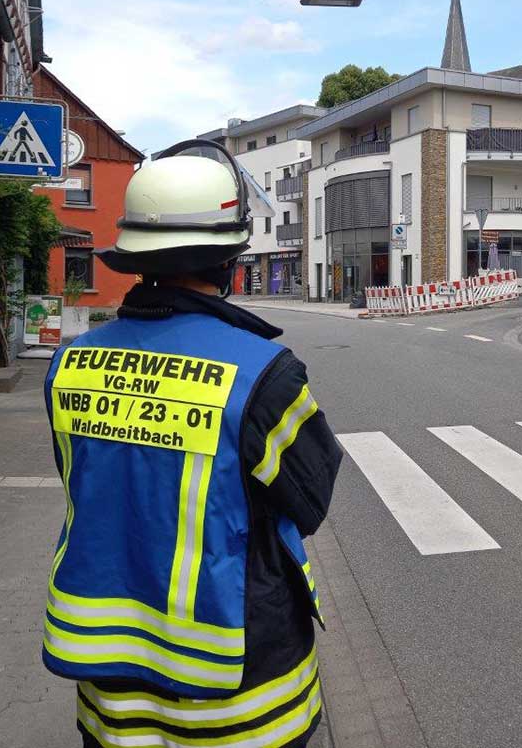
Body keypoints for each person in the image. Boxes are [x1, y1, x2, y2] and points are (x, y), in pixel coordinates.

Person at [41, 140, 343, 748]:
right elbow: (309, 501)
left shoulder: (68, 364)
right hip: (242, 680)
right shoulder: (265, 374)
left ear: (134, 257)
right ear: (229, 262)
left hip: (109, 672)